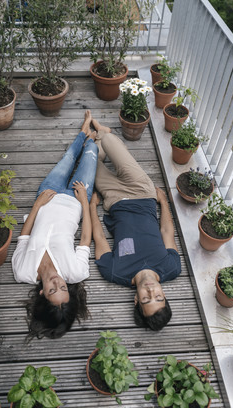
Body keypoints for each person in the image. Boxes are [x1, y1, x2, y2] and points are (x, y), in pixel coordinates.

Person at [12, 110, 98, 339]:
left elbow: (24, 236)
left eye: (52, 289)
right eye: (62, 289)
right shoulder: (75, 272)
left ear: (42, 293)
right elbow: (85, 240)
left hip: (47, 195)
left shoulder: (23, 271)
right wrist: (84, 202)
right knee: (91, 151)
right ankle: (88, 135)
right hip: (75, 201)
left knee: (68, 158)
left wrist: (38, 204)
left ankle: (86, 131)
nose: (57, 282)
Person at [89, 119, 181, 331]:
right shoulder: (171, 267)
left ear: (136, 301)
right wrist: (163, 201)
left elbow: (100, 238)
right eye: (157, 297)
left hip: (113, 198)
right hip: (142, 191)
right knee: (109, 139)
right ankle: (104, 134)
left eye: (146, 300)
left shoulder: (114, 271)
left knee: (87, 158)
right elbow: (167, 231)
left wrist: (93, 206)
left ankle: (97, 148)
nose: (150, 292)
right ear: (164, 295)